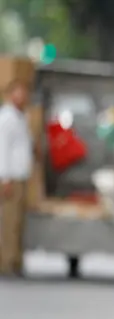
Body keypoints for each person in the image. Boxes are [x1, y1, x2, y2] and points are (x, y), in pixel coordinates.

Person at [0, 79, 33, 275]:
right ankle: (6, 262)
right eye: (19, 93)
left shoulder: (21, 117)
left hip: (21, 175)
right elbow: (2, 149)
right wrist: (5, 179)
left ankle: (15, 260)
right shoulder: (6, 118)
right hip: (10, 177)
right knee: (9, 223)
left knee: (18, 222)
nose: (23, 97)